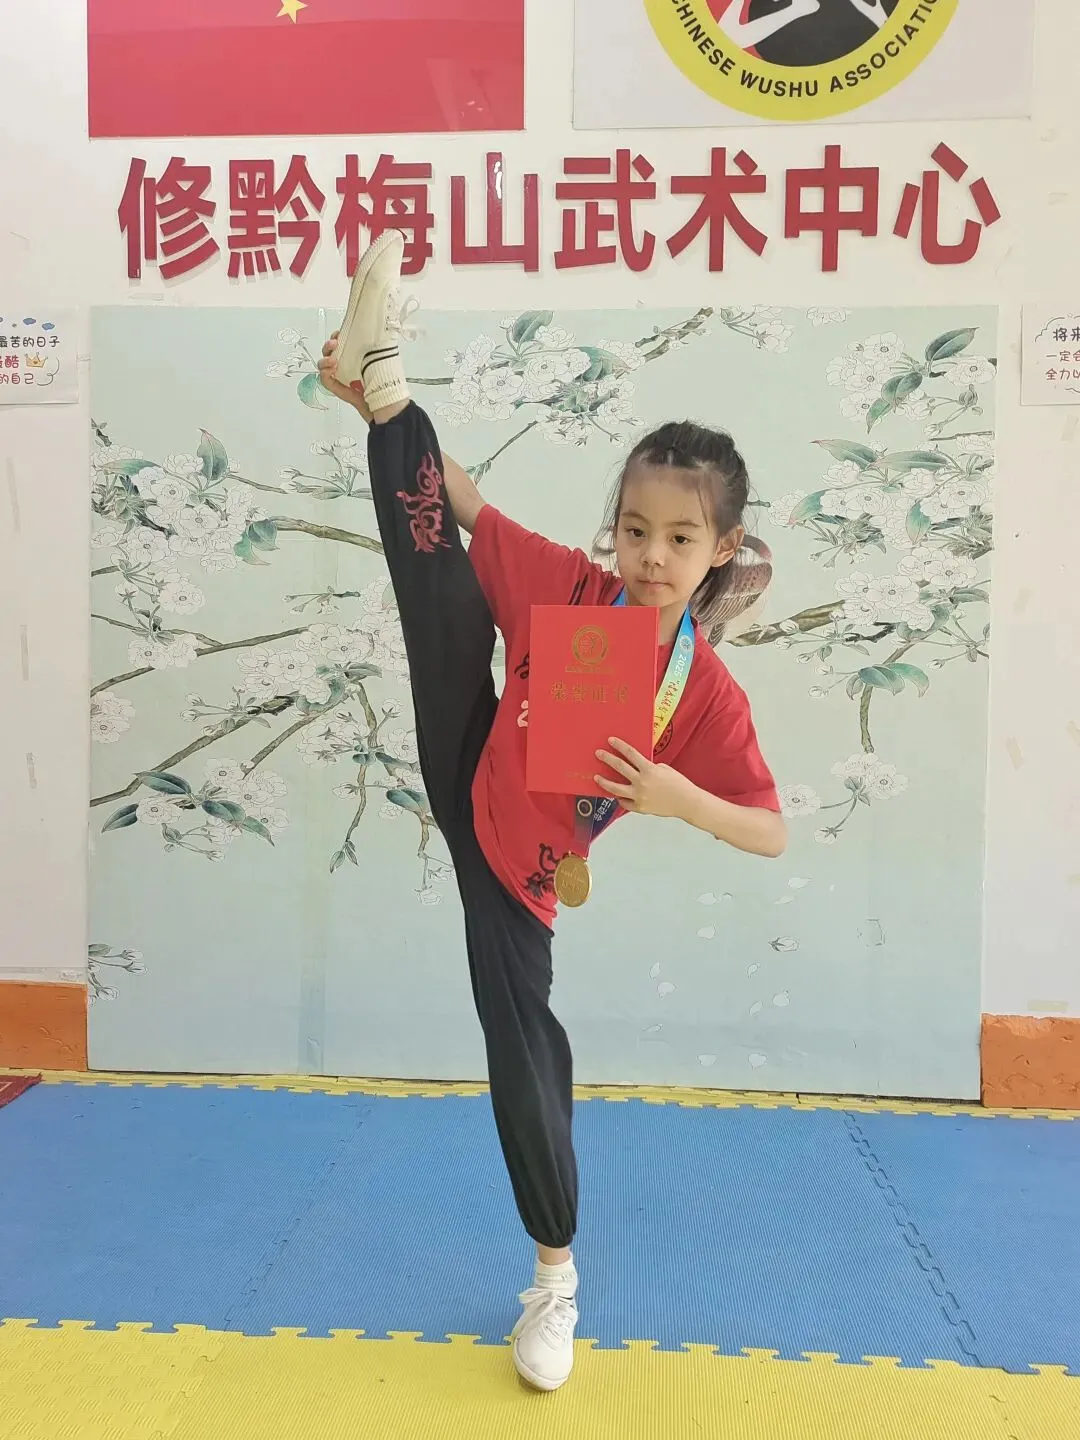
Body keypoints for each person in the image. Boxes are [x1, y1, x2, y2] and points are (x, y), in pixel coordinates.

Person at [318, 230, 786, 1393]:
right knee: (440, 598)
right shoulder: (576, 588)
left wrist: (678, 798)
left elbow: (768, 828)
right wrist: (384, 424)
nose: (650, 556)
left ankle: (555, 1272)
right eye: (635, 529)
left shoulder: (705, 693)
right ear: (614, 525)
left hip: (519, 867)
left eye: (680, 538)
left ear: (722, 548)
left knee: (521, 1044)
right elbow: (467, 507)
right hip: (470, 758)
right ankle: (389, 386)